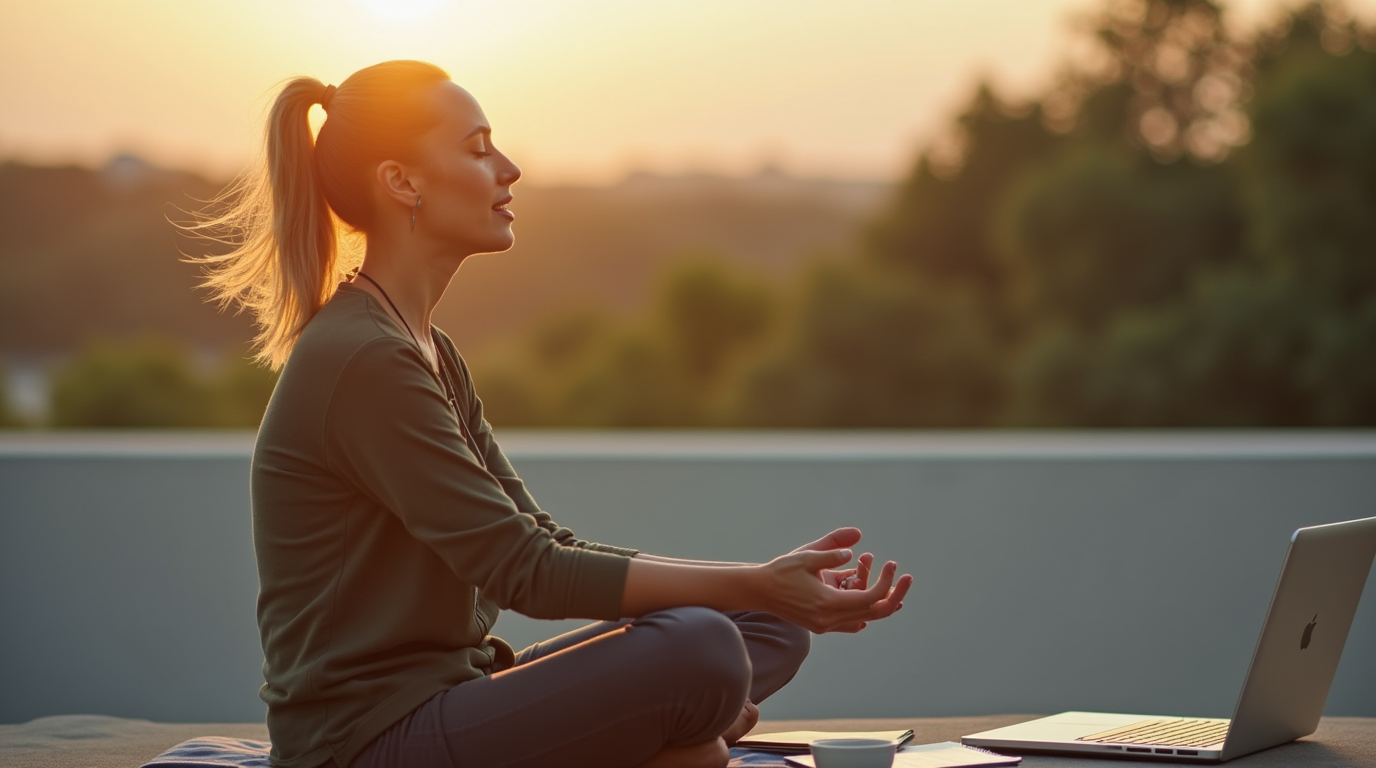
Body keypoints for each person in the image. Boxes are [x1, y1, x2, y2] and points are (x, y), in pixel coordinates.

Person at [187, 60, 912, 768]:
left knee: (763, 627)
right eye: (477, 149)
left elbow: (542, 539)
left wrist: (766, 587)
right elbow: (526, 572)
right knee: (706, 647)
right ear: (401, 181)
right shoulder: (362, 359)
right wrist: (753, 582)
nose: (510, 168)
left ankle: (682, 733)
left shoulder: (425, 346)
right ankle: (681, 734)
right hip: (364, 740)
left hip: (458, 690)